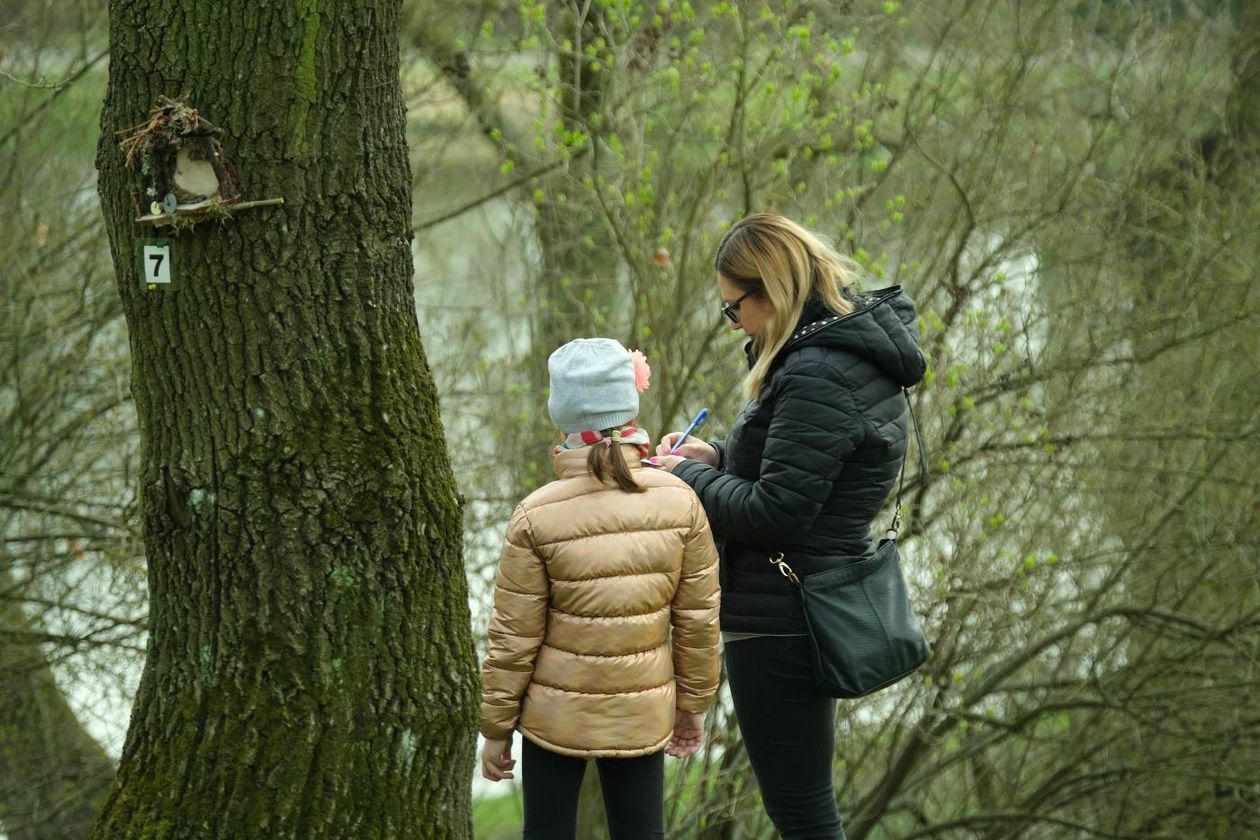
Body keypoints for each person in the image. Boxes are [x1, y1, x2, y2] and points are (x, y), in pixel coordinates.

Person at [650, 213, 927, 839]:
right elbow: (800, 473)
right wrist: (714, 458)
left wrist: (680, 477)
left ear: (770, 291)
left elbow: (776, 512)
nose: (734, 324)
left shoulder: (819, 371)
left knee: (801, 813)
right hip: (801, 602)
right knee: (803, 806)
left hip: (783, 618)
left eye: (733, 308)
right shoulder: (838, 354)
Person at [478, 337, 721, 840]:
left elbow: (512, 638)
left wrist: (497, 728)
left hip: (554, 718)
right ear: (630, 404)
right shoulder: (680, 502)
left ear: (561, 417)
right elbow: (698, 623)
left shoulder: (535, 514)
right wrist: (692, 705)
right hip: (643, 711)